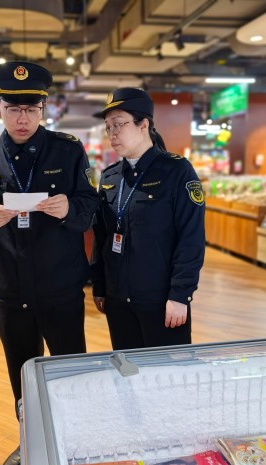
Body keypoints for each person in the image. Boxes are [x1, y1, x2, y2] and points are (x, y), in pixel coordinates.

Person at [0, 61, 100, 465]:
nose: (22, 118)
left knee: (69, 368)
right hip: (12, 287)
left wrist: (70, 206)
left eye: (31, 110)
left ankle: (75, 441)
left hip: (61, 285)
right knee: (21, 371)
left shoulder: (67, 151)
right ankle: (29, 439)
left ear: (42, 109)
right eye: (13, 109)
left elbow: (90, 205)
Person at [90, 87, 205, 350]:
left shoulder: (177, 171)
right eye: (108, 127)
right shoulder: (109, 177)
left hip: (161, 301)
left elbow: (191, 238)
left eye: (119, 124)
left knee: (167, 372)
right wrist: (100, 286)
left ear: (143, 125)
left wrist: (180, 295)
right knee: (127, 369)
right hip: (118, 300)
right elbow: (101, 237)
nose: (112, 134)